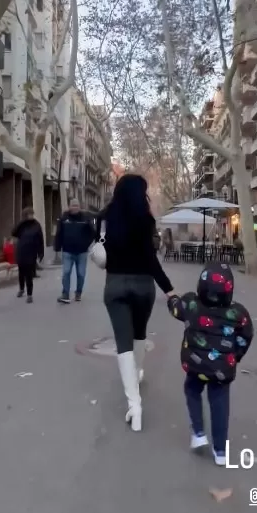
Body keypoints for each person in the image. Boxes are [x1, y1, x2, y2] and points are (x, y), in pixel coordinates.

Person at [96, 174, 175, 432]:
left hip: (115, 285)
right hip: (143, 286)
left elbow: (98, 245)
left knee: (123, 343)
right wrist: (170, 290)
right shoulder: (145, 220)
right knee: (139, 334)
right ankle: (138, 372)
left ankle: (135, 405)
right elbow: (151, 260)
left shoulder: (105, 217)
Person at [168, 262, 254, 465]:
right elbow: (246, 336)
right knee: (220, 403)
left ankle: (198, 433)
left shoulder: (191, 303)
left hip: (195, 366)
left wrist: (172, 298)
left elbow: (175, 309)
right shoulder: (238, 314)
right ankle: (221, 451)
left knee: (192, 391)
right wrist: (234, 357)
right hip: (222, 370)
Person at [54, 198, 95, 303]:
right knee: (66, 272)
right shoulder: (63, 218)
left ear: (79, 207)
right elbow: (59, 233)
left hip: (82, 252)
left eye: (77, 205)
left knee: (81, 274)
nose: (75, 207)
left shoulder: (86, 218)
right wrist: (57, 248)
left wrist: (87, 244)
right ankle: (65, 294)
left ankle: (78, 293)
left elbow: (93, 232)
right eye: (73, 205)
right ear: (69, 207)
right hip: (67, 251)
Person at [12, 207, 45, 303]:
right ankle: (21, 289)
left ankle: (30, 294)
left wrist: (41, 252)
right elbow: (13, 233)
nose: (31, 216)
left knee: (29, 274)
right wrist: (21, 222)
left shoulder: (36, 225)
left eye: (32, 214)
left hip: (32, 252)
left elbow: (40, 239)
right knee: (21, 272)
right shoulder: (22, 225)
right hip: (21, 251)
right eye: (29, 214)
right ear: (25, 215)